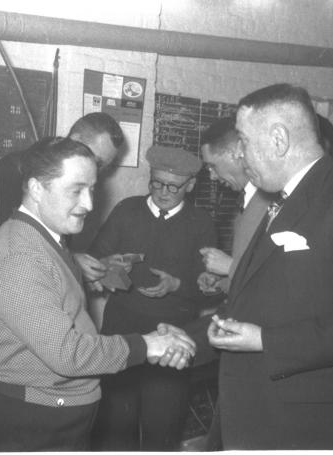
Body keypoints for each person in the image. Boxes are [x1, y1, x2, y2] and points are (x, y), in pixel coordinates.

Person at [163, 83, 333, 449]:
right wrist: (188, 339)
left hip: (317, 429)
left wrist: (265, 340)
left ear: (278, 139)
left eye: (243, 140)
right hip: (266, 415)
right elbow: (251, 304)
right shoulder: (280, 201)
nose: (240, 156)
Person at [0, 137, 195, 451]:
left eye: (91, 189)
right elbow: (66, 353)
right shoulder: (20, 258)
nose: (88, 204)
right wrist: (148, 344)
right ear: (35, 189)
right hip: (30, 421)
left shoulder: (44, 241)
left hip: (50, 414)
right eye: (76, 190)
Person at [88, 145, 218, 450]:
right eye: (156, 183)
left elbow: (208, 289)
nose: (162, 192)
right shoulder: (126, 210)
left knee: (162, 431)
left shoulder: (202, 224)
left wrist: (177, 285)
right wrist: (110, 269)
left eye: (173, 187)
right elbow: (93, 260)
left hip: (172, 340)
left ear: (191, 185)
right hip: (123, 332)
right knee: (116, 431)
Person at [0, 111, 125, 240]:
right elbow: (7, 241)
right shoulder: (9, 171)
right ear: (75, 140)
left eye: (103, 167)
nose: (96, 172)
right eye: (96, 161)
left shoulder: (85, 184)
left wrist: (72, 259)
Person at [198, 116, 273, 295]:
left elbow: (283, 277)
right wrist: (221, 283)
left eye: (212, 166)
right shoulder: (248, 200)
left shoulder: (272, 203)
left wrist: (230, 267)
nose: (212, 176)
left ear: (237, 152)